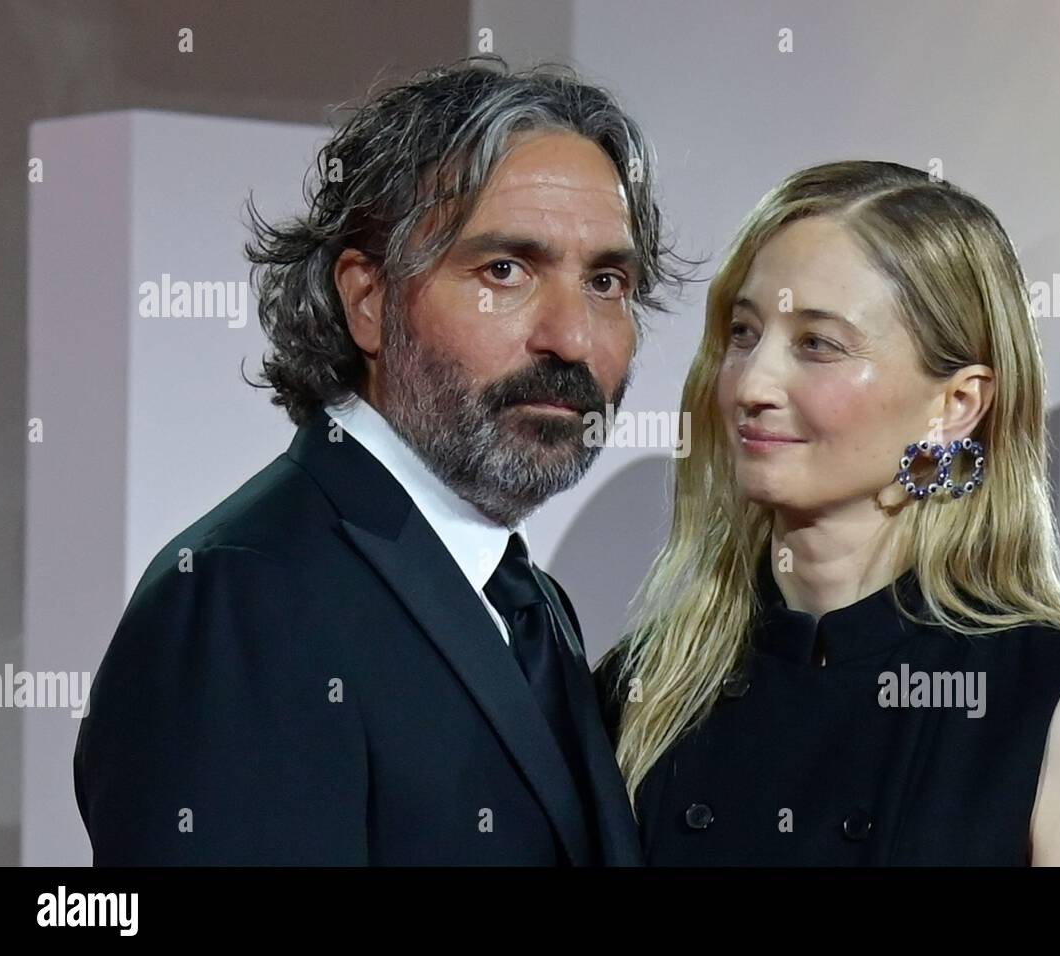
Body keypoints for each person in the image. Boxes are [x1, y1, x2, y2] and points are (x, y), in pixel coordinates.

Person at [74, 57, 689, 865]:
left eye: (607, 281)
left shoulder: (534, 607)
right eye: (504, 270)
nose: (571, 338)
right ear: (368, 299)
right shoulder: (242, 600)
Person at [597, 160, 1060, 866]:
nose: (751, 385)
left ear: (956, 405)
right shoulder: (642, 690)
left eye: (817, 344)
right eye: (742, 333)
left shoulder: (1053, 711)